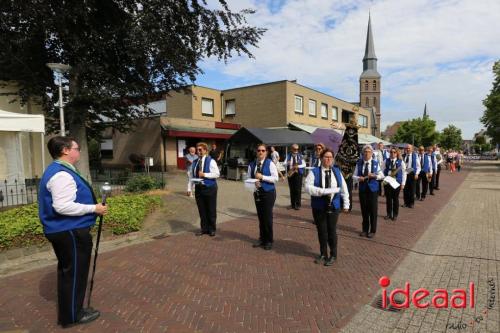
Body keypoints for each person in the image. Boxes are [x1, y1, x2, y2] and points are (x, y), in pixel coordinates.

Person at [38, 136, 107, 328]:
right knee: (75, 273)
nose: (79, 151)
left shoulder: (60, 170)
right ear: (65, 150)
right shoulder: (61, 174)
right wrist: (94, 208)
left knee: (70, 272)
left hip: (67, 230)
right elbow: (62, 206)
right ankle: (72, 316)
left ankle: (72, 311)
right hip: (69, 232)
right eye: (76, 148)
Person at [305, 149, 349, 266]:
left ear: (333, 159)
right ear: (321, 158)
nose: (328, 159)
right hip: (319, 207)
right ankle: (323, 254)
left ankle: (333, 255)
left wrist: (346, 204)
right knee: (322, 231)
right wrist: (322, 191)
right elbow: (307, 187)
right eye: (326, 157)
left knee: (332, 231)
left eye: (330, 157)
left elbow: (344, 189)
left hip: (334, 206)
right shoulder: (314, 172)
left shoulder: (337, 172)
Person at [247, 144, 279, 250]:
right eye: (259, 150)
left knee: (267, 217)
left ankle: (269, 240)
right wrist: (253, 183)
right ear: (256, 152)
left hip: (268, 192)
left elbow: (276, 178)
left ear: (266, 152)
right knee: (261, 217)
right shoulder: (252, 164)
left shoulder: (270, 163)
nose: (261, 152)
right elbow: (248, 178)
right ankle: (262, 238)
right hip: (257, 192)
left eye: (263, 150)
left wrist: (262, 177)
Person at [352, 145, 384, 238]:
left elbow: (381, 175)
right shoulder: (359, 163)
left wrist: (374, 176)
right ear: (363, 153)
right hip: (363, 190)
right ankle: (365, 229)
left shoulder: (375, 163)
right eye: (365, 152)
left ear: (372, 153)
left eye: (369, 152)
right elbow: (353, 176)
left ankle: (373, 230)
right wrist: (359, 178)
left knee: (373, 210)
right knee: (364, 210)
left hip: (373, 190)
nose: (367, 154)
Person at [191, 142, 220, 236]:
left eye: (200, 150)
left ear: (205, 151)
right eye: (197, 149)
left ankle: (212, 229)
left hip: (210, 188)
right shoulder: (195, 162)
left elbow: (217, 174)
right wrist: (191, 187)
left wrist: (205, 175)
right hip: (199, 189)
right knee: (202, 210)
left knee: (211, 209)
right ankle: (204, 228)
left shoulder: (211, 161)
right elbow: (192, 175)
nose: (198, 151)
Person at [383, 148, 406, 221]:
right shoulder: (386, 161)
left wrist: (403, 183)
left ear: (397, 153)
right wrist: (384, 179)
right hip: (388, 183)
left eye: (394, 152)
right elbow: (381, 170)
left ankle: (395, 214)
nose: (392, 153)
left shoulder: (401, 162)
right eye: (391, 152)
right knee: (388, 199)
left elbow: (404, 173)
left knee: (395, 199)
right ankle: (388, 214)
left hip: (397, 183)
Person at [284, 144, 306, 210]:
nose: (296, 150)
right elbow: (284, 163)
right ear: (291, 149)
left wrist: (298, 166)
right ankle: (292, 204)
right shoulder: (288, 156)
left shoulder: (300, 156)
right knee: (292, 189)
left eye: (297, 149)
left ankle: (298, 204)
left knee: (298, 190)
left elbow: (304, 164)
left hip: (298, 174)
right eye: (294, 149)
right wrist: (287, 163)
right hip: (291, 173)